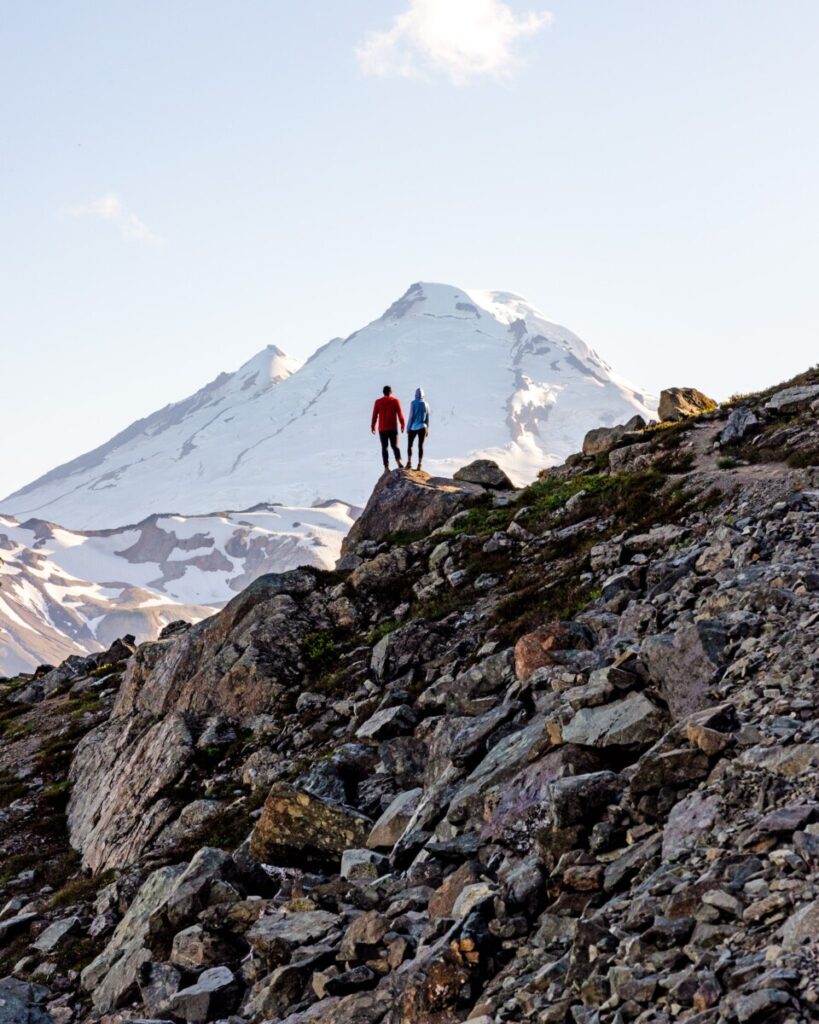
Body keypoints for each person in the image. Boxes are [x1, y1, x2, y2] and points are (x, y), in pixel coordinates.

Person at [371, 385, 405, 471]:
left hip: (382, 429)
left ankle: (386, 467)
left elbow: (374, 415)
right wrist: (402, 424)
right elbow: (400, 414)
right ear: (391, 392)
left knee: (384, 448)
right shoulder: (395, 401)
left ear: (383, 392)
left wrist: (373, 426)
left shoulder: (378, 402)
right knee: (395, 446)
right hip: (393, 428)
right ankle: (399, 461)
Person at [406, 387, 430, 470]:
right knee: (420, 445)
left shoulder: (413, 403)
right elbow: (427, 418)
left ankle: (409, 462)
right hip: (423, 427)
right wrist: (427, 429)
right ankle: (419, 464)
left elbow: (411, 417)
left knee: (410, 445)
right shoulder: (426, 404)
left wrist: (408, 428)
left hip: (413, 427)